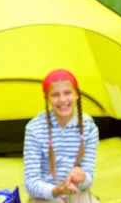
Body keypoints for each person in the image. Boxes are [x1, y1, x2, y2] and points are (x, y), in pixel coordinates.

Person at [23, 69, 100, 202]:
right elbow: (31, 182)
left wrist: (82, 176)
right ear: (47, 99)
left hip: (77, 192)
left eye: (67, 93)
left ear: (77, 94)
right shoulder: (34, 128)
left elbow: (88, 178)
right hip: (45, 194)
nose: (62, 100)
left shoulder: (89, 127)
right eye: (55, 95)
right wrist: (55, 190)